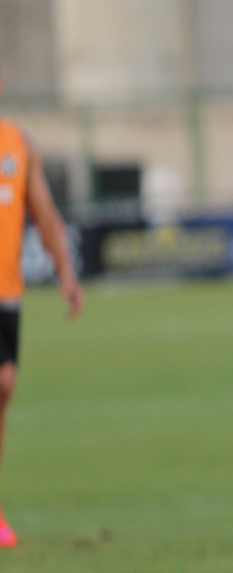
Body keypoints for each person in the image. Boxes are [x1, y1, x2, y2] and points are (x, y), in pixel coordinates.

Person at [0, 68, 85, 548]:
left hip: (7, 294)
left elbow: (45, 214)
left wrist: (66, 273)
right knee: (3, 380)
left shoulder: (18, 144)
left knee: (3, 391)